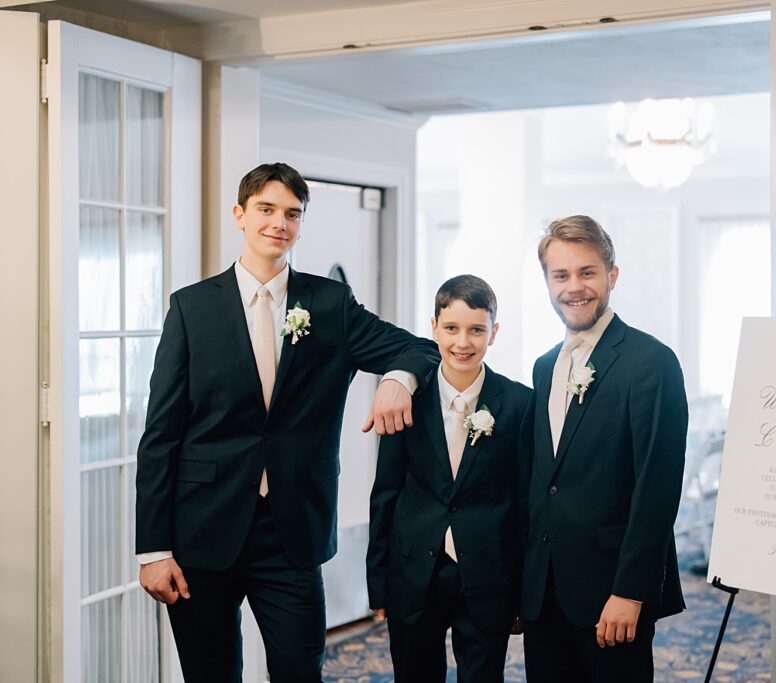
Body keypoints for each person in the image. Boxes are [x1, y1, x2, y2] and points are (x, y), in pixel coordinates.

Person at [135, 163, 439, 683]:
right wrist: (153, 550)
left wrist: (397, 380)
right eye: (267, 210)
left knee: (301, 668)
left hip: (291, 530)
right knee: (211, 673)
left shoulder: (329, 303)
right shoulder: (191, 308)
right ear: (240, 215)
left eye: (292, 214)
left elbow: (419, 348)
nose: (280, 222)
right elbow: (161, 435)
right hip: (202, 528)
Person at [520, 215, 688, 682]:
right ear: (548, 283)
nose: (575, 287)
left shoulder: (651, 362)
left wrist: (630, 592)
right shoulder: (543, 367)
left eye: (587, 272)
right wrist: (524, 588)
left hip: (612, 594)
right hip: (545, 594)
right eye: (561, 275)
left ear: (612, 276)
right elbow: (543, 483)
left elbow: (657, 486)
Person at [367, 274, 532, 682]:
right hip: (413, 570)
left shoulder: (519, 404)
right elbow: (385, 491)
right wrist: (379, 581)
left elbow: (525, 503)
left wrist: (522, 592)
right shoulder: (406, 400)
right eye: (452, 328)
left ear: (494, 333)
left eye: (477, 330)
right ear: (434, 328)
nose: (463, 342)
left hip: (488, 573)